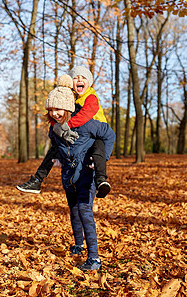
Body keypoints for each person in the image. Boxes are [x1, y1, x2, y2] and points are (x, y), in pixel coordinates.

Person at [43, 74, 115, 271]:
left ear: (67, 107)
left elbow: (109, 134)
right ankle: (78, 245)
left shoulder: (87, 122)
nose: (55, 114)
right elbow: (55, 144)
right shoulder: (54, 129)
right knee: (73, 210)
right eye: (50, 110)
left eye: (58, 110)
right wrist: (57, 157)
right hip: (68, 175)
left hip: (86, 174)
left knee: (84, 210)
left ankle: (94, 258)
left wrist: (102, 159)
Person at [17, 66, 111, 198]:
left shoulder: (91, 96)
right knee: (53, 149)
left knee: (99, 151)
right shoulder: (70, 96)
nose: (79, 79)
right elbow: (58, 112)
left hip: (97, 133)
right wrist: (57, 126)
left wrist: (67, 125)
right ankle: (37, 180)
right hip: (77, 133)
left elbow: (86, 114)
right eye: (75, 77)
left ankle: (101, 181)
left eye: (83, 78)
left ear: (88, 82)